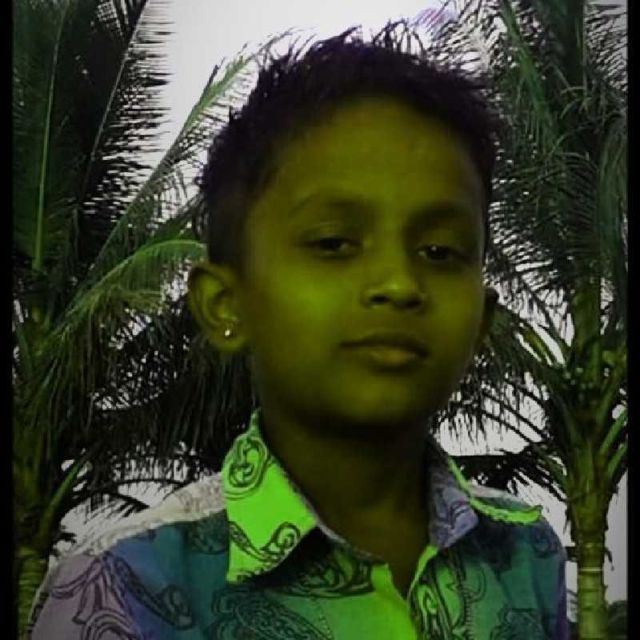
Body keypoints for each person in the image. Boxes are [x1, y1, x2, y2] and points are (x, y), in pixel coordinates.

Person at [28, 23, 569, 640]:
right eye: (334, 243)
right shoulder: (120, 587)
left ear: (483, 321)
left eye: (441, 251)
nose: (399, 283)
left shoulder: (525, 553)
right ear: (226, 305)